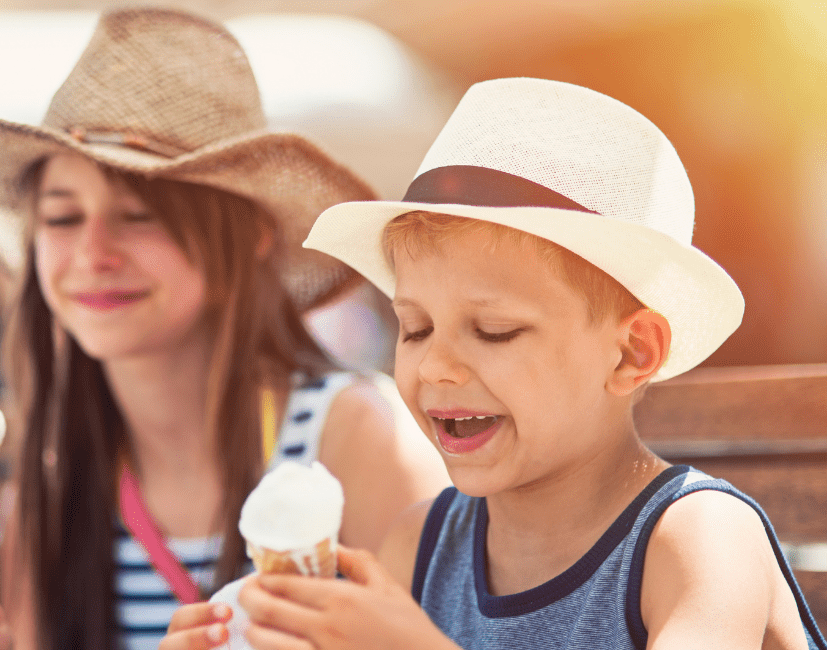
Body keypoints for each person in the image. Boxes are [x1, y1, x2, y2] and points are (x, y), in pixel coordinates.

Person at [162, 77, 827, 649]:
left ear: (632, 352)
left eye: (495, 331)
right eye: (415, 327)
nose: (439, 367)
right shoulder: (421, 544)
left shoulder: (697, 538)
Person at [0, 8, 449, 650]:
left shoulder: (356, 439)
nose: (93, 254)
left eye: (137, 215)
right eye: (63, 217)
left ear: (251, 241)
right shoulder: (44, 486)